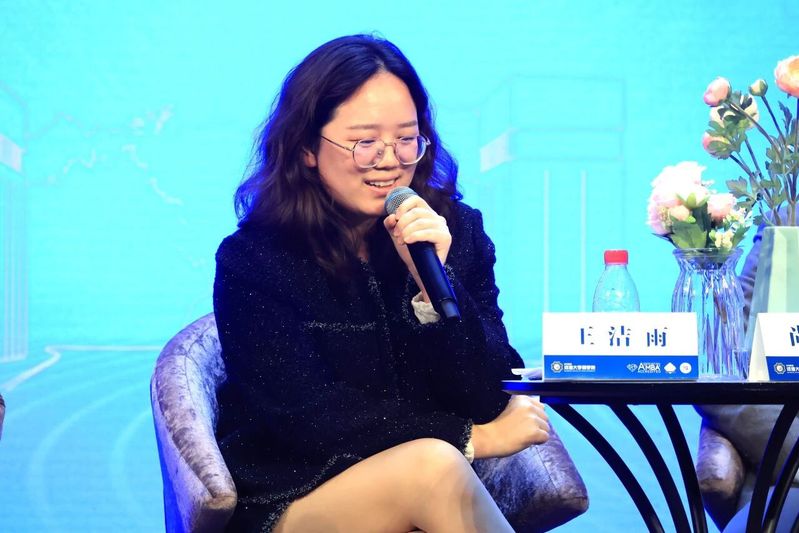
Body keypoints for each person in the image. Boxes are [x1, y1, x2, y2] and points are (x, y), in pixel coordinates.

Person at [213, 34, 551, 532]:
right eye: (365, 142)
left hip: (432, 490)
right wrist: (469, 438)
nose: (390, 160)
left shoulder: (454, 233)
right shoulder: (256, 258)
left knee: (433, 468)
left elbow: (493, 393)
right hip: (295, 496)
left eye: (407, 139)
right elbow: (304, 418)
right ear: (306, 147)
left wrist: (434, 286)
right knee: (431, 467)